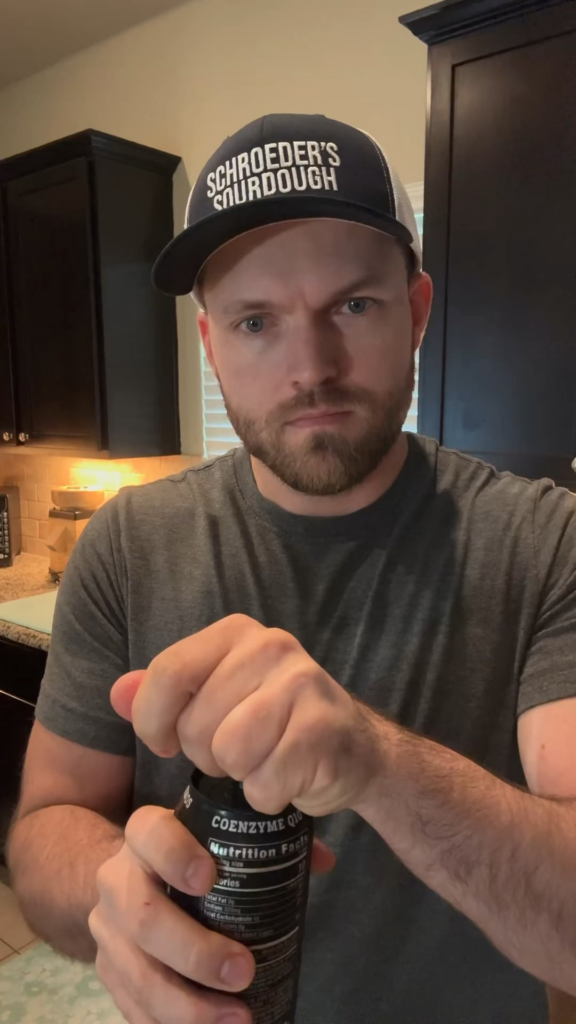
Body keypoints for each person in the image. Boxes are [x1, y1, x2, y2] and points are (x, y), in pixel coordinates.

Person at [7, 112, 576, 1024]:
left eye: (353, 305)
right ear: (211, 346)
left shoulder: (547, 545)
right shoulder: (127, 545)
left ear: (418, 312)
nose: (311, 367)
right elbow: (42, 836)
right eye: (257, 320)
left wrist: (375, 763)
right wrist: (121, 887)